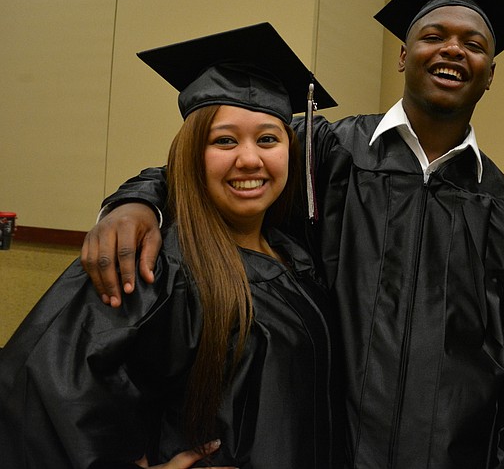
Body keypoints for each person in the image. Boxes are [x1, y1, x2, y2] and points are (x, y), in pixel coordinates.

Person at [80, 0, 504, 467]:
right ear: (403, 55)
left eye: (473, 44)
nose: (452, 50)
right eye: (433, 36)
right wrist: (135, 204)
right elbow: (210, 171)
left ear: (491, 72)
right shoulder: (325, 150)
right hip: (325, 447)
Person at [0, 23, 335, 468]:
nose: (250, 159)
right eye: (225, 140)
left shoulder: (297, 257)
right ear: (192, 155)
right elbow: (36, 403)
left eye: (268, 139)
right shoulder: (151, 266)